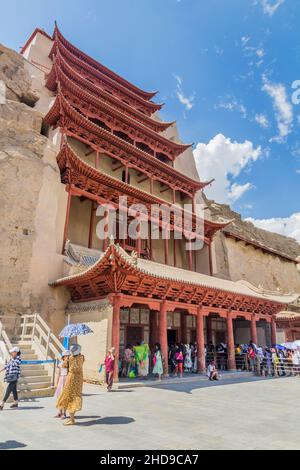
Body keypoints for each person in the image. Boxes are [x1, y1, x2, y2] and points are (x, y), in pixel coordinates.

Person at [56, 344, 84, 426]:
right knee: (75, 396)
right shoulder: (82, 357)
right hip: (79, 378)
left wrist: (67, 358)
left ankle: (72, 419)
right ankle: (72, 418)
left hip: (72, 378)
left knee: (69, 397)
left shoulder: (70, 358)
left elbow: (63, 365)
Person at [54, 350, 70, 419]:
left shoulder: (69, 365)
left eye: (68, 356)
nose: (67, 357)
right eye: (66, 356)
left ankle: (64, 413)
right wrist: (56, 383)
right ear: (63, 357)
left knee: (65, 397)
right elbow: (59, 374)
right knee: (59, 396)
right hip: (61, 380)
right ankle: (59, 412)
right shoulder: (60, 364)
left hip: (67, 380)